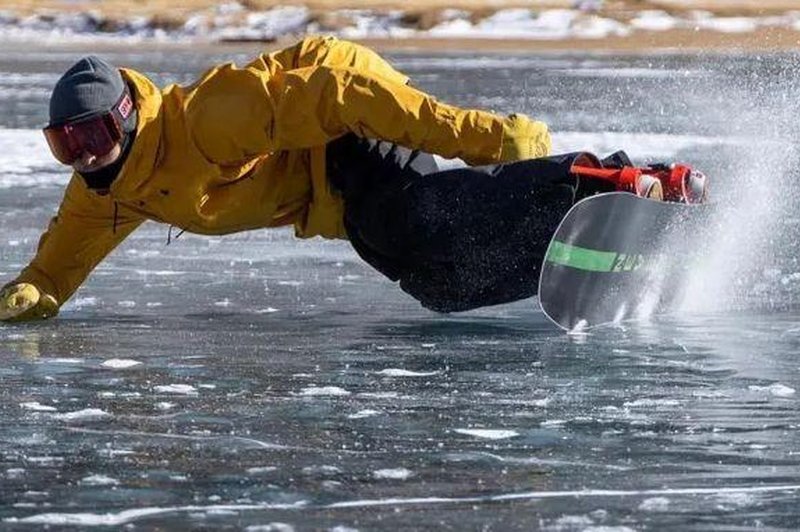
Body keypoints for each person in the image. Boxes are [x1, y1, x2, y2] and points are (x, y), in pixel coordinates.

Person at [0, 36, 658, 323]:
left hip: (341, 117)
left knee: (413, 221)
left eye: (91, 135)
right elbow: (56, 267)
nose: (83, 155)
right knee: (440, 282)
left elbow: (337, 95)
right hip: (327, 196)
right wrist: (30, 294)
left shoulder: (206, 122)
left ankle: (608, 180)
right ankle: (579, 244)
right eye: (64, 144)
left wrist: (484, 136)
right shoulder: (106, 193)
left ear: (125, 117)